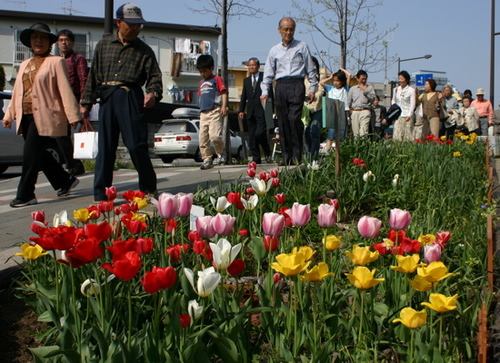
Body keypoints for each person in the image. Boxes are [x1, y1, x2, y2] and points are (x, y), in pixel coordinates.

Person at [80, 3, 163, 202]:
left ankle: (148, 187)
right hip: (107, 98)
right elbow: (93, 76)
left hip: (130, 97)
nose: (135, 29)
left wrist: (152, 94)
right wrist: (86, 102)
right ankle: (101, 192)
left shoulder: (144, 50)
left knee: (136, 145)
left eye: (138, 25)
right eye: (131, 25)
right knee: (106, 147)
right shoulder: (103, 45)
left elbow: (155, 77)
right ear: (119, 22)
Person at [2, 23, 81, 207]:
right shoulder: (24, 64)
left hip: (45, 115)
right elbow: (17, 93)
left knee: (29, 155)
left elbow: (64, 89)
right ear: (29, 41)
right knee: (39, 154)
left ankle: (25, 194)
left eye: (43, 38)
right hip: (26, 116)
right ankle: (64, 180)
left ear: (49, 42)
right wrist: (9, 115)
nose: (39, 41)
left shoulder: (56, 62)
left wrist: (73, 116)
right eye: (35, 37)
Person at [261, 17, 317, 166]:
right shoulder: (274, 50)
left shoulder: (302, 46)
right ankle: (286, 156)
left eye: (291, 29)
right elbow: (268, 73)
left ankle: (297, 154)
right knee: (283, 121)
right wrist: (265, 91)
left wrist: (313, 88)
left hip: (297, 84)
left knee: (294, 119)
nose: (288, 32)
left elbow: (310, 69)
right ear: (279, 30)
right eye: (285, 29)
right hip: (280, 85)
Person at [57, 29, 88, 176]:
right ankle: (74, 164)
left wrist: (83, 102)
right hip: (57, 100)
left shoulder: (77, 58)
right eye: (61, 40)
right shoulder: (55, 59)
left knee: (66, 132)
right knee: (60, 133)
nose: (64, 42)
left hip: (73, 99)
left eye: (67, 40)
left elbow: (83, 80)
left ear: (72, 42)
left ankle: (73, 164)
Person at [196, 54, 228, 170]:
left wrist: (224, 106)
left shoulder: (216, 79)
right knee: (202, 138)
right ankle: (207, 159)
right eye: (200, 72)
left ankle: (221, 153)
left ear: (211, 68)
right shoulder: (201, 83)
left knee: (214, 136)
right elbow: (201, 97)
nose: (202, 74)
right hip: (203, 113)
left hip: (215, 110)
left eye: (204, 71)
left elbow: (223, 92)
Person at [238, 57, 271, 164]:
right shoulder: (246, 80)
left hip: (262, 110)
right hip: (250, 111)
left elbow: (270, 95)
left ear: (258, 66)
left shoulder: (264, 79)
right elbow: (244, 96)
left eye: (253, 65)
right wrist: (241, 110)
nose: (251, 67)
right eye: (249, 65)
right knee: (252, 136)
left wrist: (271, 110)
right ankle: (256, 157)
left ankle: (267, 151)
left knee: (260, 133)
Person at [320, 69, 349, 149]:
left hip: (342, 113)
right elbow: (321, 83)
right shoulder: (330, 88)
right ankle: (327, 150)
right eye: (334, 80)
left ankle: (338, 152)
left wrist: (342, 69)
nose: (335, 82)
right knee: (331, 134)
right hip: (332, 113)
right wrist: (330, 77)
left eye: (338, 81)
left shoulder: (345, 89)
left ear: (342, 81)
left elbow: (349, 75)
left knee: (341, 136)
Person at [303, 56, 323, 160]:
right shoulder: (303, 78)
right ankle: (308, 154)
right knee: (306, 132)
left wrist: (315, 96)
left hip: (317, 108)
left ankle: (314, 155)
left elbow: (321, 90)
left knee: (314, 129)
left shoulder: (319, 77)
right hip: (306, 108)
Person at [347, 70, 376, 137]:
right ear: (357, 79)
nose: (364, 80)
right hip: (355, 111)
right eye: (362, 79)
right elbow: (348, 102)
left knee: (363, 132)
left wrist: (366, 91)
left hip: (365, 110)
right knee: (356, 133)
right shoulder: (353, 89)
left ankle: (364, 146)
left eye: (365, 79)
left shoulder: (370, 88)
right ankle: (357, 147)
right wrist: (350, 112)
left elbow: (373, 99)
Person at [391, 70, 416, 141]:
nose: (400, 80)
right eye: (399, 78)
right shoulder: (396, 89)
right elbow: (393, 100)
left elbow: (412, 104)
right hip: (398, 115)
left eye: (402, 79)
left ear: (406, 79)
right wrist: (395, 106)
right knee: (397, 134)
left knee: (407, 136)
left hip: (407, 115)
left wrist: (409, 114)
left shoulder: (411, 90)